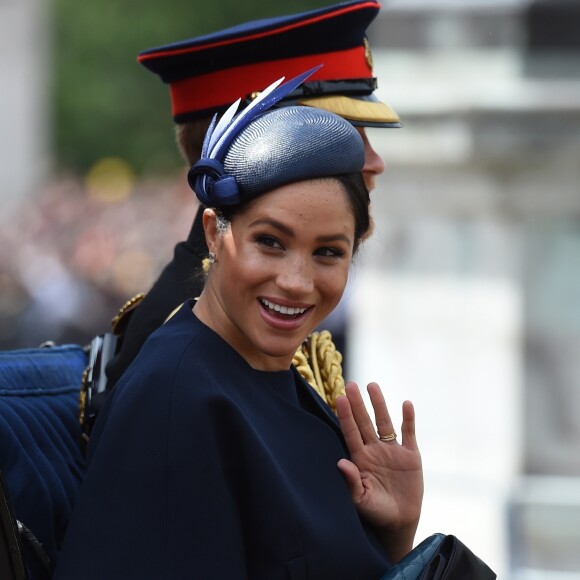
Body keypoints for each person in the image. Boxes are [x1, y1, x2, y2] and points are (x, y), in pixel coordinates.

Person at [54, 71, 423, 579]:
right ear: (214, 231)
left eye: (328, 253)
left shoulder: (274, 374)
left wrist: (396, 531)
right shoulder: (175, 397)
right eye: (270, 241)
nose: (297, 281)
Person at [102, 0, 401, 392]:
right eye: (343, 141)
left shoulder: (237, 314)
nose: (374, 162)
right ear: (257, 152)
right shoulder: (190, 341)